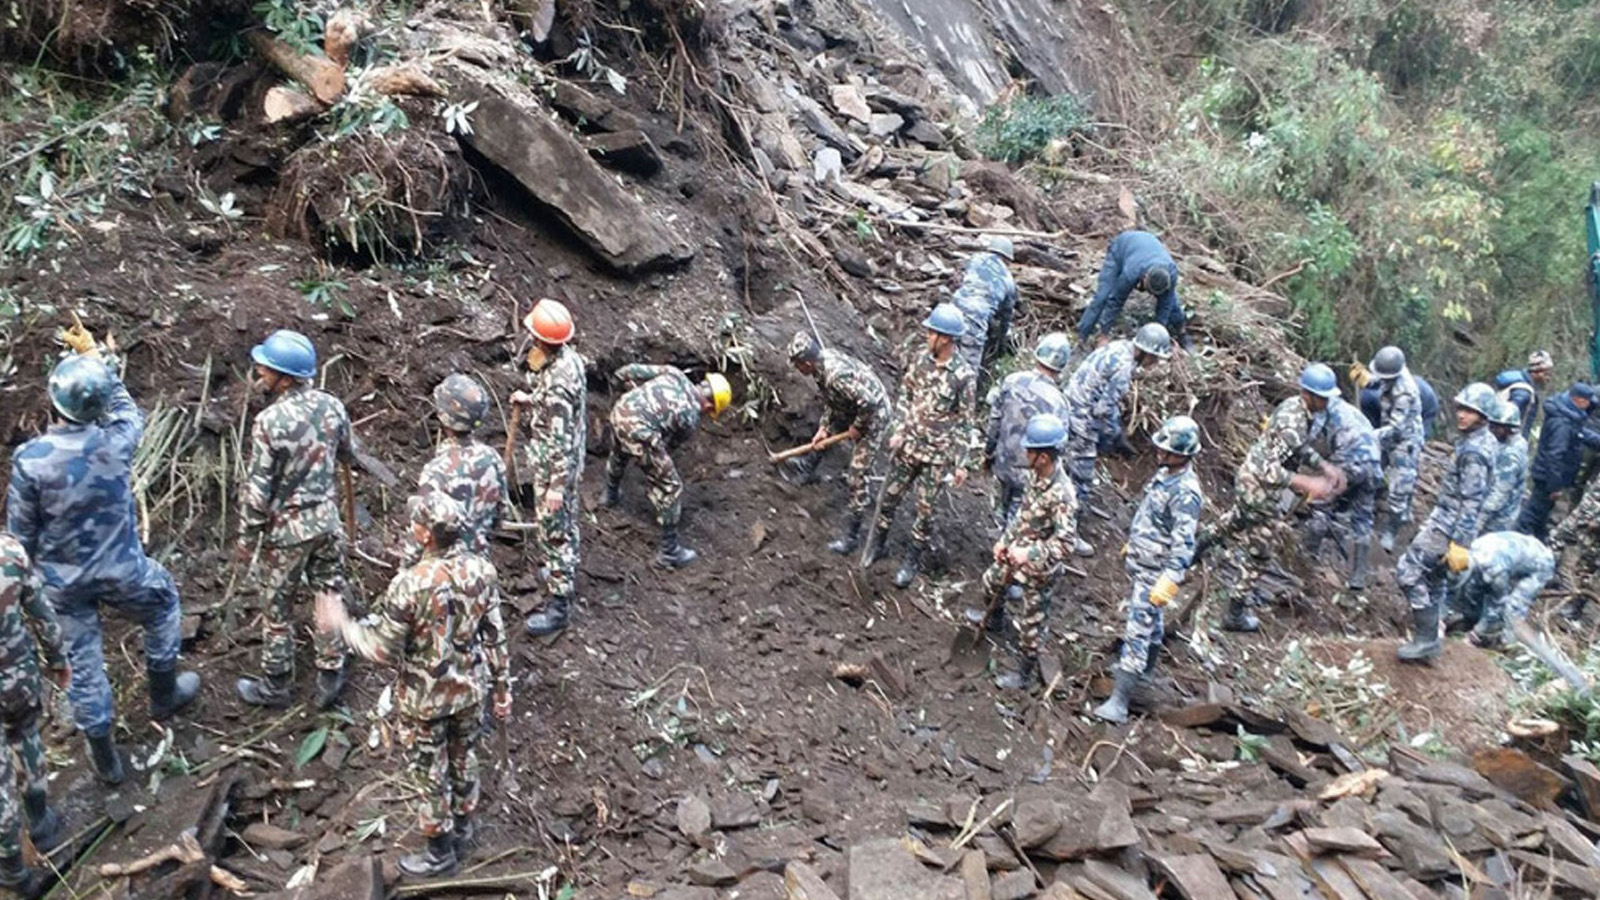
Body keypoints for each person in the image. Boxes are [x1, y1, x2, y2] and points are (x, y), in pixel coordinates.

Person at [9, 327, 199, 786]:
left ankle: (106, 759)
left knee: (81, 661)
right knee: (163, 604)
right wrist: (101, 362)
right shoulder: (118, 441)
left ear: (55, 403)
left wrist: (28, 592)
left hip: (61, 582)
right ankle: (164, 693)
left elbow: (19, 536)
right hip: (122, 570)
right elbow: (126, 409)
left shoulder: (30, 460)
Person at [313, 492, 509, 878]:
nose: (411, 528)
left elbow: (382, 649)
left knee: (429, 770)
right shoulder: (482, 571)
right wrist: (502, 690)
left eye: (415, 524)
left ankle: (440, 851)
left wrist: (343, 625)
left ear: (425, 535)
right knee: (463, 754)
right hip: (471, 689)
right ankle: (464, 826)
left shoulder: (410, 585)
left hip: (425, 699)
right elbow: (495, 634)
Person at [235, 330, 361, 711]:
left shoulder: (269, 423)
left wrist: (247, 536)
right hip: (326, 523)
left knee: (277, 611)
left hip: (287, 533)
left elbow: (259, 491)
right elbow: (348, 453)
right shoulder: (333, 406)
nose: (259, 371)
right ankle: (330, 671)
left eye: (266, 368)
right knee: (328, 594)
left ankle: (276, 686)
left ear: (285, 379)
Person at [1204, 365, 1345, 632]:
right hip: (1259, 486)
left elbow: (1298, 449)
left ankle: (1194, 549)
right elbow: (1269, 469)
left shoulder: (1297, 409)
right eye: (1322, 397)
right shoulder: (1294, 421)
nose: (1326, 402)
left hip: (1252, 481)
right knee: (1260, 554)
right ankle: (1233, 614)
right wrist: (1308, 482)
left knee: (1235, 520)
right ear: (1308, 394)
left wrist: (1323, 466)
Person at [1094, 415, 1203, 724]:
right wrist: (1136, 540)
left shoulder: (1186, 493)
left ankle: (1119, 702)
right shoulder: (1166, 474)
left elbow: (1184, 542)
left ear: (1183, 453)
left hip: (1156, 572)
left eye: (1166, 450)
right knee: (1152, 625)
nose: (1159, 453)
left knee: (1137, 631)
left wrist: (1171, 577)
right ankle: (1146, 674)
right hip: (1145, 562)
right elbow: (1152, 515)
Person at [862, 303, 979, 589]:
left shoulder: (963, 377)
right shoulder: (920, 360)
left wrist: (963, 463)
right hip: (907, 447)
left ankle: (911, 560)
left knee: (924, 511)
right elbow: (906, 394)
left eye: (932, 333)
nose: (927, 337)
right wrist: (898, 429)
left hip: (936, 456)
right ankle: (877, 545)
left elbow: (966, 422)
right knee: (888, 498)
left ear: (946, 339)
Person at [1395, 383, 1497, 662]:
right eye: (1462, 409)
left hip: (1448, 526)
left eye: (1471, 411)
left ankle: (1426, 639)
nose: (1462, 415)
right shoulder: (1478, 440)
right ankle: (1431, 637)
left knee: (1408, 572)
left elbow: (1471, 501)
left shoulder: (1475, 451)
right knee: (1434, 579)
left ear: (1484, 416)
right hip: (1448, 520)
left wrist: (1460, 543)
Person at [602, 364, 732, 568]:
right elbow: (668, 446)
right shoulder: (690, 416)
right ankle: (669, 552)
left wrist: (618, 387)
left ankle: (609, 495)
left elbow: (628, 371)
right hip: (639, 431)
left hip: (620, 411)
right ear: (709, 407)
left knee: (619, 452)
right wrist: (655, 474)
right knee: (671, 487)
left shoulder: (675, 374)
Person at [985, 414, 1080, 691]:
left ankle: (1023, 675)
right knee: (990, 582)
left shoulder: (1063, 495)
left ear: (1043, 457)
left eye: (1030, 450)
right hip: (1016, 553)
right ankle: (995, 621)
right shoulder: (1035, 477)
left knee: (1031, 627)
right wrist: (1005, 541)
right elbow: (1022, 517)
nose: (1024, 452)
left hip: (1040, 569)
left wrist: (1030, 554)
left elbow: (1066, 544)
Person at [1060, 323, 1173, 553]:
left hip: (1069, 407)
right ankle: (1067, 534)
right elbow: (1104, 409)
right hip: (1081, 419)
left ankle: (1058, 511)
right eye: (1155, 358)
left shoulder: (1119, 347)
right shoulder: (1123, 368)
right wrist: (1115, 436)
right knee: (1082, 477)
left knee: (1064, 467)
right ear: (1145, 352)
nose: (1155, 363)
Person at [511, 301, 587, 636]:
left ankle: (559, 606)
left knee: (554, 529)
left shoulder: (558, 385)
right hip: (564, 460)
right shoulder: (568, 360)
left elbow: (560, 438)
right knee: (565, 522)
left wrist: (556, 486)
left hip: (556, 464)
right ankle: (564, 570)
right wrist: (530, 399)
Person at [0, 533, 70, 898]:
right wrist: (58, 658)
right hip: (17, 678)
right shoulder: (9, 551)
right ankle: (41, 821)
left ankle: (13, 870)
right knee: (27, 737)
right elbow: (42, 613)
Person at [784, 332, 892, 555]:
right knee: (827, 432)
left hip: (874, 415)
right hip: (853, 405)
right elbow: (833, 402)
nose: (797, 370)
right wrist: (824, 428)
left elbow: (869, 403)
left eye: (797, 365)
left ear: (806, 362)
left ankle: (851, 537)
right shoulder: (820, 366)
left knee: (857, 474)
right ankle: (807, 468)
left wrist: (858, 428)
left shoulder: (835, 376)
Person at [405, 374, 512, 564]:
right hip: (478, 568)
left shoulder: (435, 471)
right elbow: (501, 513)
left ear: (443, 416)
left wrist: (405, 570)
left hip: (441, 572)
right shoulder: (493, 459)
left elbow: (420, 534)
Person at [1303, 369, 1383, 590]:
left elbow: (1307, 441)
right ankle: (1357, 580)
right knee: (1363, 518)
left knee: (1319, 505)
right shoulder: (1348, 409)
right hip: (1373, 463)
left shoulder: (1323, 412)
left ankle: (1306, 563)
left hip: (1350, 464)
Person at [985, 333, 1069, 528]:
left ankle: (996, 535)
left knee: (998, 511)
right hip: (1029, 474)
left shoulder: (1011, 380)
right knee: (1017, 522)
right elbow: (1058, 449)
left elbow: (994, 420)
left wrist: (988, 451)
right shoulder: (1058, 402)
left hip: (1002, 462)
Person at [1360, 346, 1426, 552]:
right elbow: (1381, 381)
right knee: (1371, 469)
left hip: (1404, 442)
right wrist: (1368, 379)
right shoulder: (1390, 374)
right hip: (1387, 433)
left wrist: (1370, 436)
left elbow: (1396, 429)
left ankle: (1392, 528)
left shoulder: (1405, 392)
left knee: (1399, 490)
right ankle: (1365, 509)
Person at [1515, 383, 1600, 540]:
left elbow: (1580, 433)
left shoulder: (1571, 416)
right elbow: (1554, 455)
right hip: (1548, 478)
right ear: (1579, 400)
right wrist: (1554, 486)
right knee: (1532, 514)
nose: (1591, 405)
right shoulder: (1562, 423)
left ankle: (1540, 542)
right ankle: (1517, 542)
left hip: (1553, 477)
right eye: (1589, 401)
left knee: (1542, 515)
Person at [1075, 230, 1188, 348]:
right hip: (1121, 249)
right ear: (1145, 277)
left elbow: (1165, 306)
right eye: (1147, 289)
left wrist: (1156, 337)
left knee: (1172, 303)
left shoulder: (1171, 274)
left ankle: (1182, 333)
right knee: (1102, 296)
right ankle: (1082, 337)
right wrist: (1104, 334)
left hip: (1146, 247)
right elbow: (1116, 301)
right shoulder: (1131, 273)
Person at [1447, 531, 1553, 649]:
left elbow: (1496, 604)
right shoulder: (1475, 548)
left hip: (1540, 564)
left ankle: (1507, 642)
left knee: (1514, 607)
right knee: (1474, 587)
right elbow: (1471, 589)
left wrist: (1477, 634)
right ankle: (1471, 620)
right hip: (1514, 555)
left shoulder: (1496, 571)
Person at [952, 235, 1019, 394]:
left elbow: (958, 278)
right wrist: (1002, 342)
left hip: (953, 312)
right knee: (969, 370)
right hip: (976, 320)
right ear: (1007, 258)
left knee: (946, 358)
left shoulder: (975, 259)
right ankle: (964, 407)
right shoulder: (1008, 280)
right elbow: (1006, 316)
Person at [1480, 399, 1529, 534]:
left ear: (1507, 428)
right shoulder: (1513, 443)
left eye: (1495, 427)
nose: (1491, 430)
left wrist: (1479, 519)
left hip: (1498, 521)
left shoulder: (1512, 454)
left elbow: (1499, 492)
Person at [1494, 350, 1553, 440]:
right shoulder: (1523, 393)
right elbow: (1507, 421)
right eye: (1546, 374)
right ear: (1536, 372)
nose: (1548, 378)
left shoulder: (1520, 386)